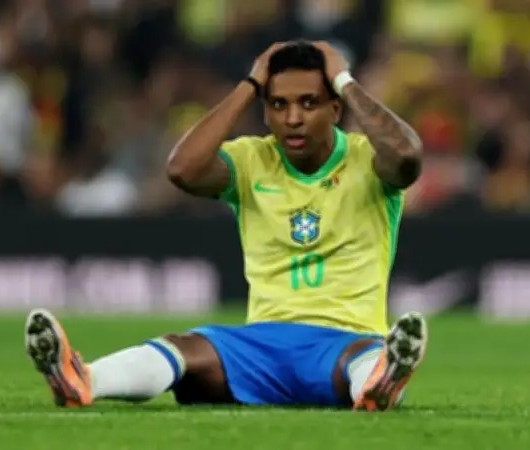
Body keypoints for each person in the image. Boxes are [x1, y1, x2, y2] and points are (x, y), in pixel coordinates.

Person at [25, 40, 427, 411]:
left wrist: (345, 80)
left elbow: (408, 156)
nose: (293, 118)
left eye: (309, 103)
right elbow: (182, 170)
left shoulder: (371, 159)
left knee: (366, 357)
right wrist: (250, 85)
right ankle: (84, 380)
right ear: (265, 111)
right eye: (279, 104)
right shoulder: (252, 159)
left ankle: (377, 381)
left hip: (345, 341)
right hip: (261, 347)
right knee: (185, 346)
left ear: (335, 109)